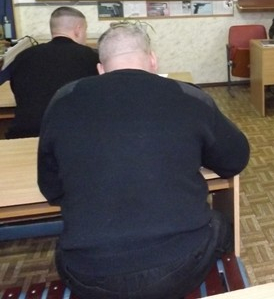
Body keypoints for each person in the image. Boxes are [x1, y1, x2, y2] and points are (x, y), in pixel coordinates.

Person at [38, 21, 250, 299]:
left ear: (100, 69)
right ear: (152, 60)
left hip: (86, 273)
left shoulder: (63, 100)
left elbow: (51, 189)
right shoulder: (190, 96)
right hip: (179, 266)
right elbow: (235, 159)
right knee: (220, 223)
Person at [1, 6, 99, 139]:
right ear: (78, 29)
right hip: (74, 135)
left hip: (25, 132)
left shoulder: (23, 56)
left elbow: (17, 91)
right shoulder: (91, 58)